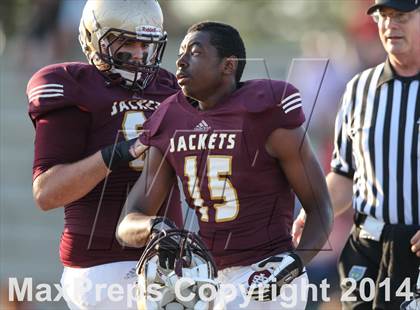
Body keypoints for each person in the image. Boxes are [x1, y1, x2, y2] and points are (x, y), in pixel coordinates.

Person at [117, 21, 333, 309]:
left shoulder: (265, 112)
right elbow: (128, 223)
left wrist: (294, 261)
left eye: (195, 52)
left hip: (266, 271)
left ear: (228, 65)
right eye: (181, 52)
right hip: (209, 276)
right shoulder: (170, 119)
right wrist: (156, 227)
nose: (180, 62)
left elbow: (320, 206)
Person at [26, 0, 182, 309]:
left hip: (168, 260)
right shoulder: (73, 85)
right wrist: (120, 153)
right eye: (126, 41)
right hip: (101, 265)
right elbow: (47, 193)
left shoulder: (170, 87)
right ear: (94, 37)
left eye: (145, 43)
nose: (138, 53)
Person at [293, 0, 420, 309]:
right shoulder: (359, 89)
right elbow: (345, 175)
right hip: (366, 247)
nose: (391, 25)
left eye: (402, 15)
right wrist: (315, 209)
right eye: (384, 16)